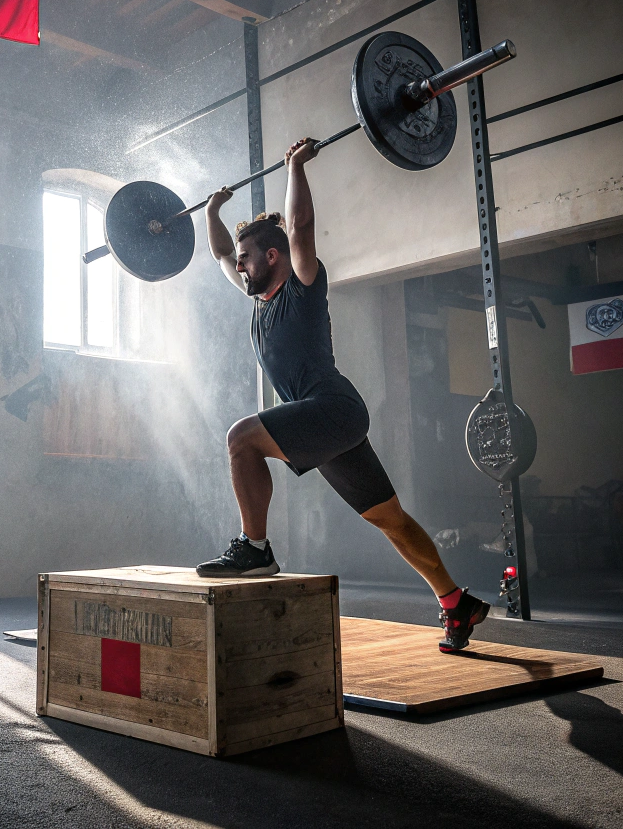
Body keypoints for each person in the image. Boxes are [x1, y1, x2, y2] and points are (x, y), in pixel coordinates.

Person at [196, 136, 489, 654]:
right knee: (389, 519)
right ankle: (455, 601)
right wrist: (213, 212)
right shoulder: (258, 299)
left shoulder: (303, 284)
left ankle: (255, 548)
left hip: (332, 409)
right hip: (329, 422)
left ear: (272, 256)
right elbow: (220, 251)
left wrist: (295, 168)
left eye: (247, 259)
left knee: (241, 439)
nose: (238, 267)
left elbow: (300, 228)